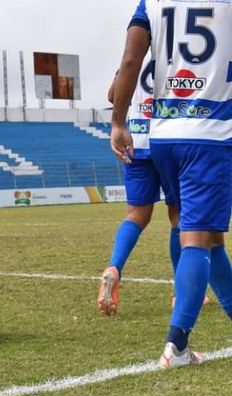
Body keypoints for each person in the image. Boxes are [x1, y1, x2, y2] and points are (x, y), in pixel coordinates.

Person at [111, 0, 232, 368]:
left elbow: (130, 62)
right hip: (211, 131)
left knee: (210, 238)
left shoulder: (153, 1)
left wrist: (118, 122)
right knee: (197, 236)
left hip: (164, 134)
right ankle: (177, 346)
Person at [97, 62, 208, 316]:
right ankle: (182, 292)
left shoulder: (134, 59)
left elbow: (113, 95)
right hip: (167, 139)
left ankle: (114, 267)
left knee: (136, 214)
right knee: (178, 216)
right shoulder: (174, 54)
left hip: (135, 140)